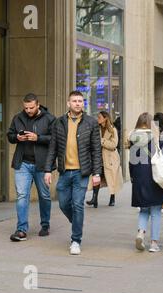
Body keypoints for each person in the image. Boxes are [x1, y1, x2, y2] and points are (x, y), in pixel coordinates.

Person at [44, 91, 102, 255]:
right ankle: (77, 221)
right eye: (74, 101)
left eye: (80, 101)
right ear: (68, 103)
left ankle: (76, 240)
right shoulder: (59, 122)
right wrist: (48, 170)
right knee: (63, 204)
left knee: (77, 204)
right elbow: (53, 148)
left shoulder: (91, 122)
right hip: (64, 172)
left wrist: (97, 173)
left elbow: (96, 150)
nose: (78, 103)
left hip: (81, 172)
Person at [7, 93, 56, 241]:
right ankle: (21, 229)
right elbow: (10, 135)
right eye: (26, 107)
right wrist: (17, 137)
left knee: (44, 196)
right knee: (22, 196)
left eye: (31, 107)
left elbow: (55, 139)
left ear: (38, 105)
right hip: (23, 164)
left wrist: (38, 138)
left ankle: (45, 225)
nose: (28, 110)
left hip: (41, 165)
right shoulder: (18, 118)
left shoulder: (49, 119)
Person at [129, 113, 163, 253]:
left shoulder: (133, 139)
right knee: (156, 211)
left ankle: (140, 233)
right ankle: (154, 243)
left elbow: (131, 162)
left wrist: (133, 177)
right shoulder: (157, 138)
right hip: (155, 177)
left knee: (144, 210)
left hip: (139, 177)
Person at [86, 111, 123, 208]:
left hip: (110, 159)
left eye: (99, 117)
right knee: (96, 176)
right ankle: (94, 199)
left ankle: (112, 198)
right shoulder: (96, 129)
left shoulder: (113, 130)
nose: (97, 119)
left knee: (111, 178)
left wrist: (101, 140)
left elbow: (114, 145)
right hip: (99, 157)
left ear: (105, 118)